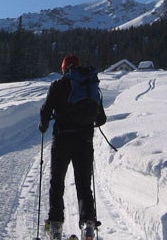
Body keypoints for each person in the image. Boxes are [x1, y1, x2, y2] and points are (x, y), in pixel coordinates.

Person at [39, 54, 107, 240]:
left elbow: (45, 112)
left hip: (62, 140)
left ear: (63, 69)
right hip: (84, 141)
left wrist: (43, 126)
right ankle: (88, 226)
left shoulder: (57, 85)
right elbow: (101, 118)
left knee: (57, 183)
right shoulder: (89, 86)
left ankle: (55, 227)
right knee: (84, 185)